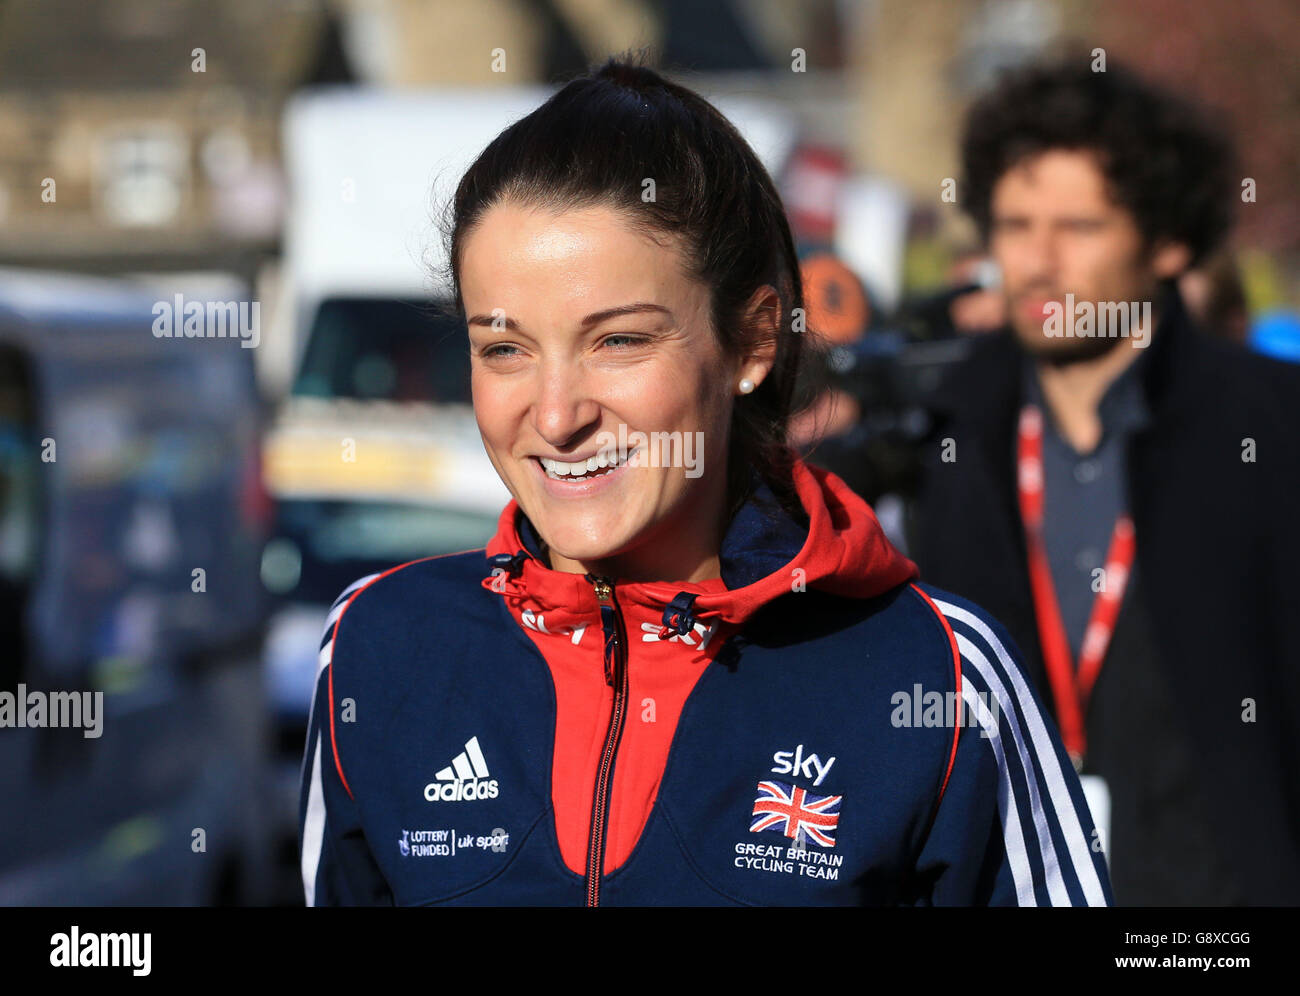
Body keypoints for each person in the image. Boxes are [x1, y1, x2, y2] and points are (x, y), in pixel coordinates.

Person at [298, 58, 1110, 907]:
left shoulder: (940, 675)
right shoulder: (376, 649)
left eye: (619, 341)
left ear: (755, 344)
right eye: (504, 349)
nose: (555, 413)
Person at [907, 55, 1300, 904]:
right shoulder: (940, 430)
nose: (1039, 261)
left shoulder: (1273, 425)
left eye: (1079, 226)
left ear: (1168, 241)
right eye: (1014, 225)